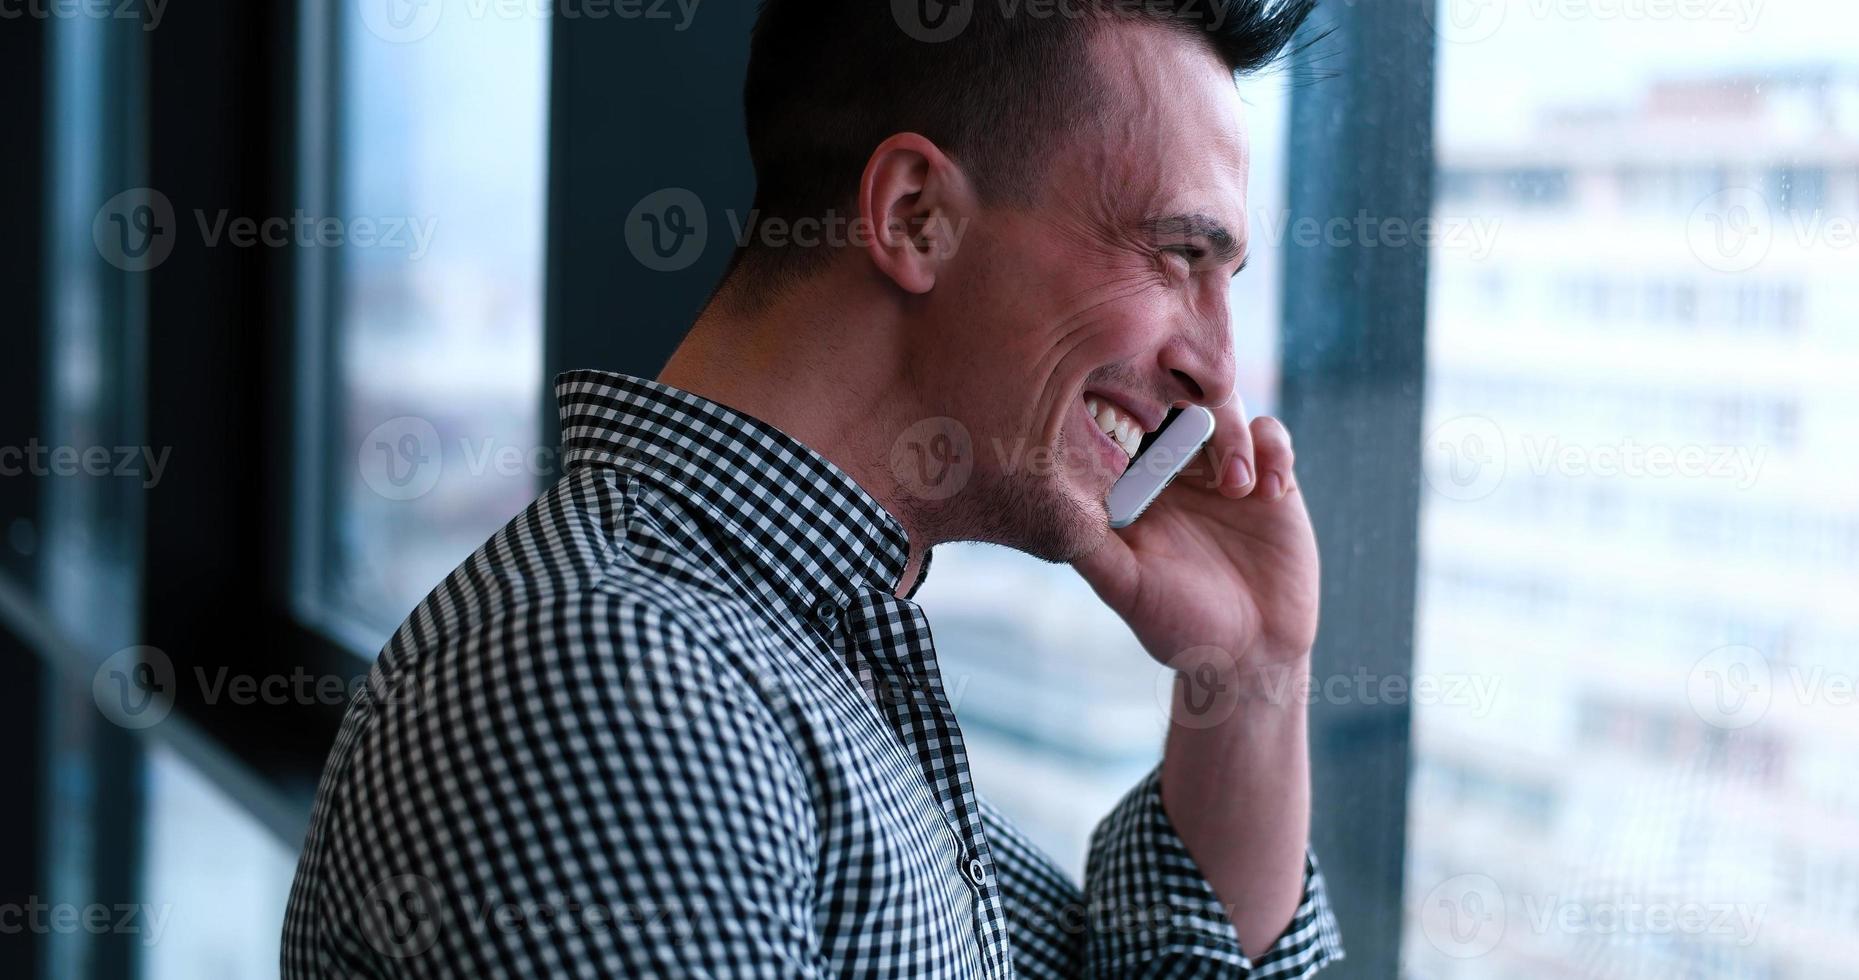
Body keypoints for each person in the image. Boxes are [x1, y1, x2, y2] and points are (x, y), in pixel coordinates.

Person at [283, 0, 1344, 975]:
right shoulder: (620, 678)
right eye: (1174, 255)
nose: (1217, 367)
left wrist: (1245, 671)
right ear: (916, 215)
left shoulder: (797, 663)